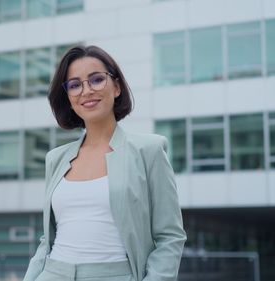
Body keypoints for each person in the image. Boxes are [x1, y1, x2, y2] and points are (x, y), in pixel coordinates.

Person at [23, 45, 186, 281]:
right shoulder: (55, 159)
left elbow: (170, 236)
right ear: (68, 97)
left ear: (117, 87)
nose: (86, 90)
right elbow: (48, 238)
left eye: (97, 80)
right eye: (75, 85)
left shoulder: (148, 151)